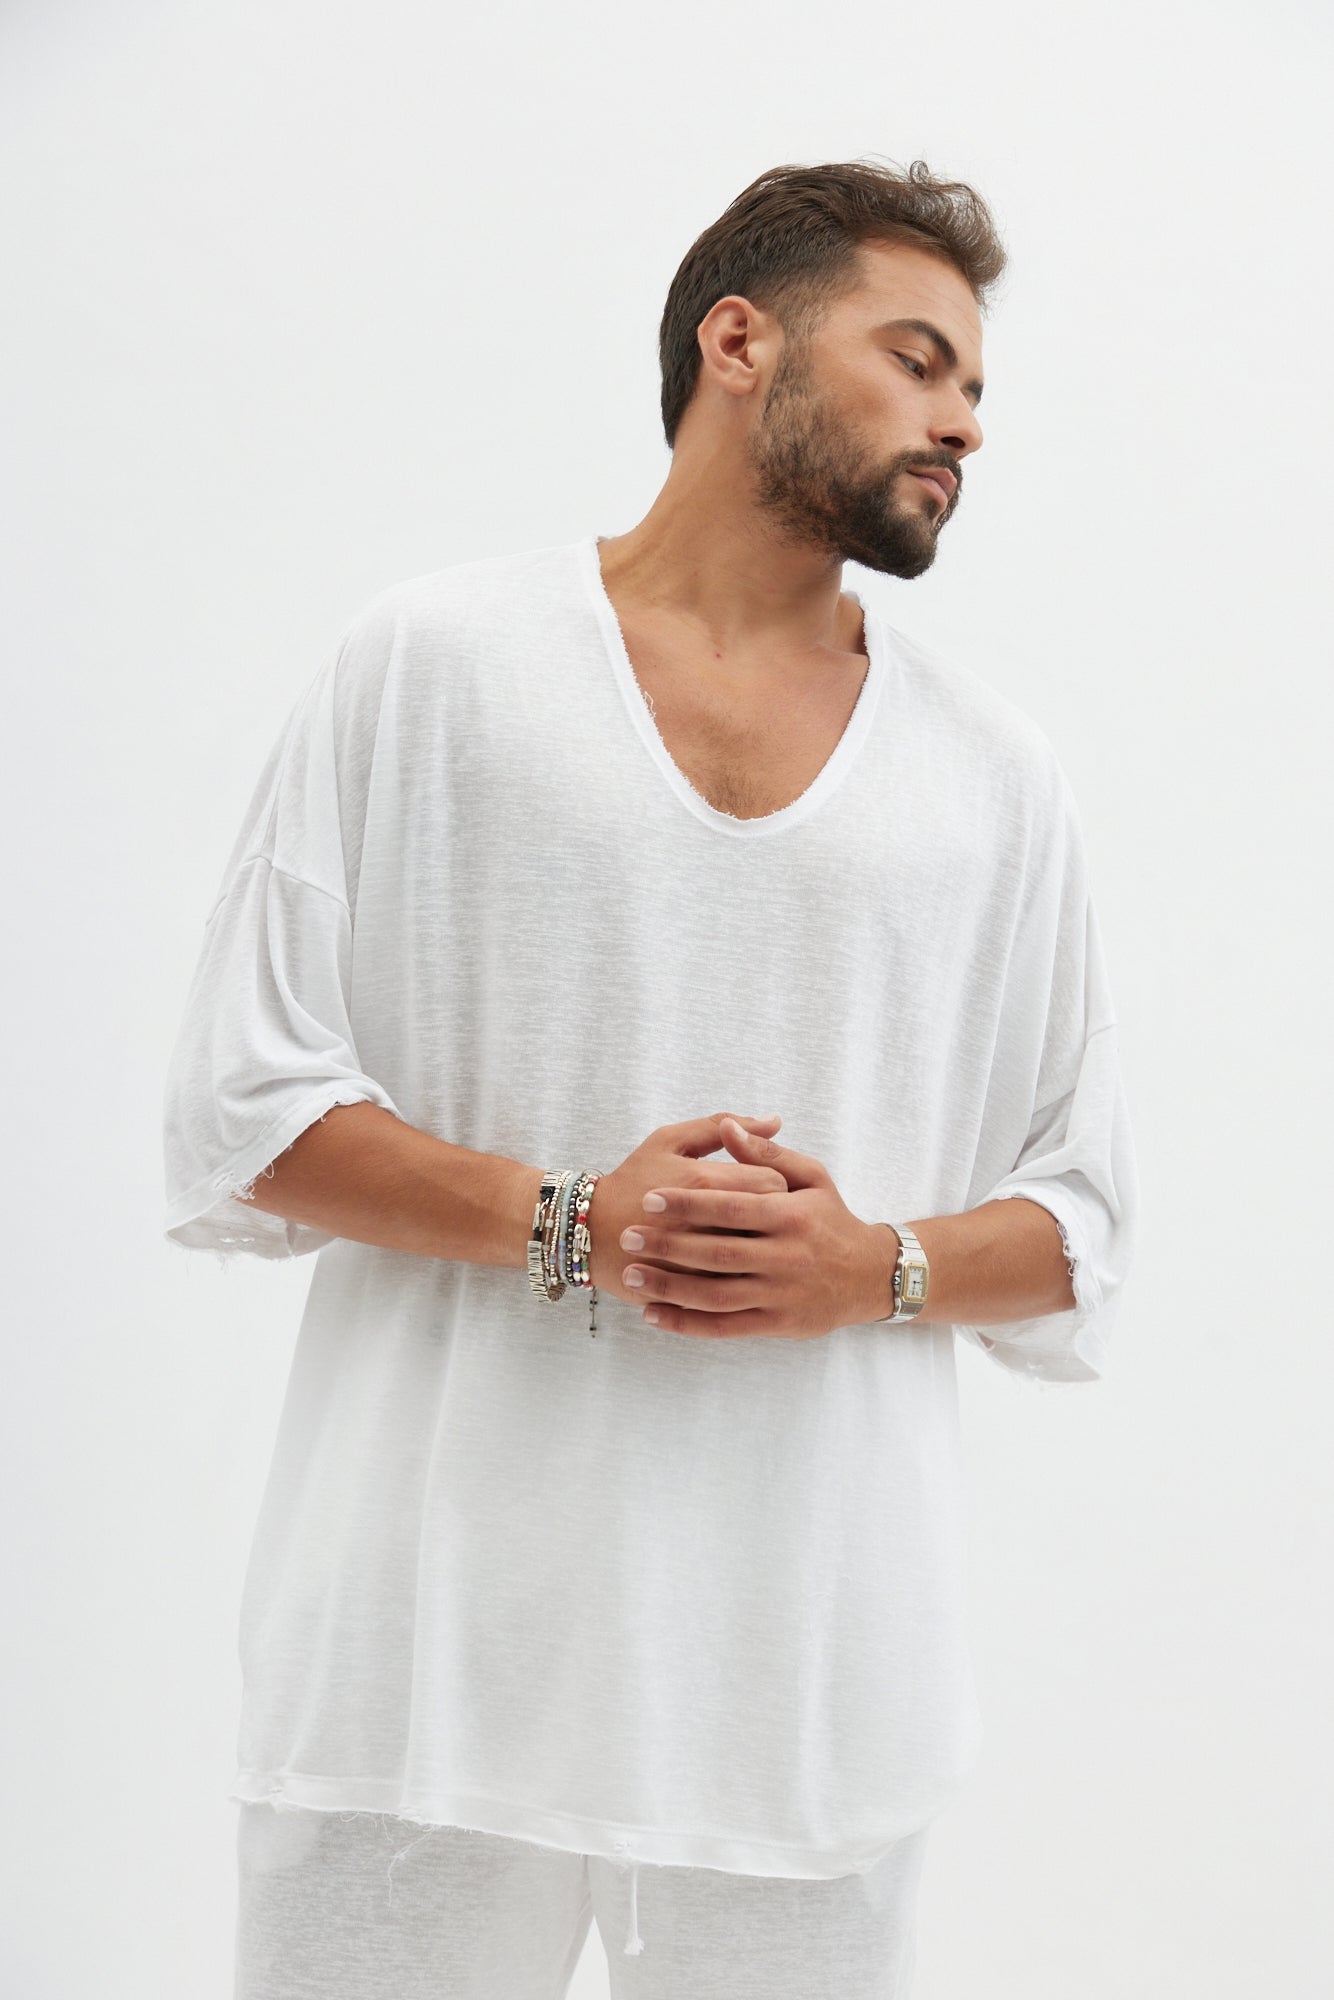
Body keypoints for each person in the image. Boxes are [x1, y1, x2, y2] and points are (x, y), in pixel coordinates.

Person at [162, 156, 1139, 1998]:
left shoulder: (993, 777)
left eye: (976, 388)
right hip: (422, 1672)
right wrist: (569, 1222)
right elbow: (244, 1108)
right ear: (738, 341)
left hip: (803, 1702)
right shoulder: (435, 666)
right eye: (916, 360)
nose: (962, 424)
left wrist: (871, 1270)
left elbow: (1081, 1219)